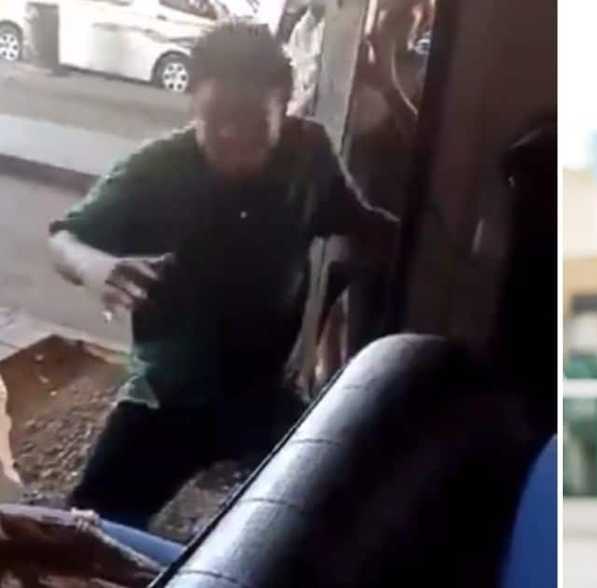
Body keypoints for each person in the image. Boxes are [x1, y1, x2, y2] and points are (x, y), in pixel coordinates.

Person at [47, 21, 397, 530]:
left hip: (264, 394)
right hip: (169, 394)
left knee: (319, 516)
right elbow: (63, 238)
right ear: (192, 104)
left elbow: (357, 221)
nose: (233, 136)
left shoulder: (309, 154)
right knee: (87, 528)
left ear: (287, 103)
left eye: (253, 121)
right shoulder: (154, 170)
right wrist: (95, 266)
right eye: (216, 119)